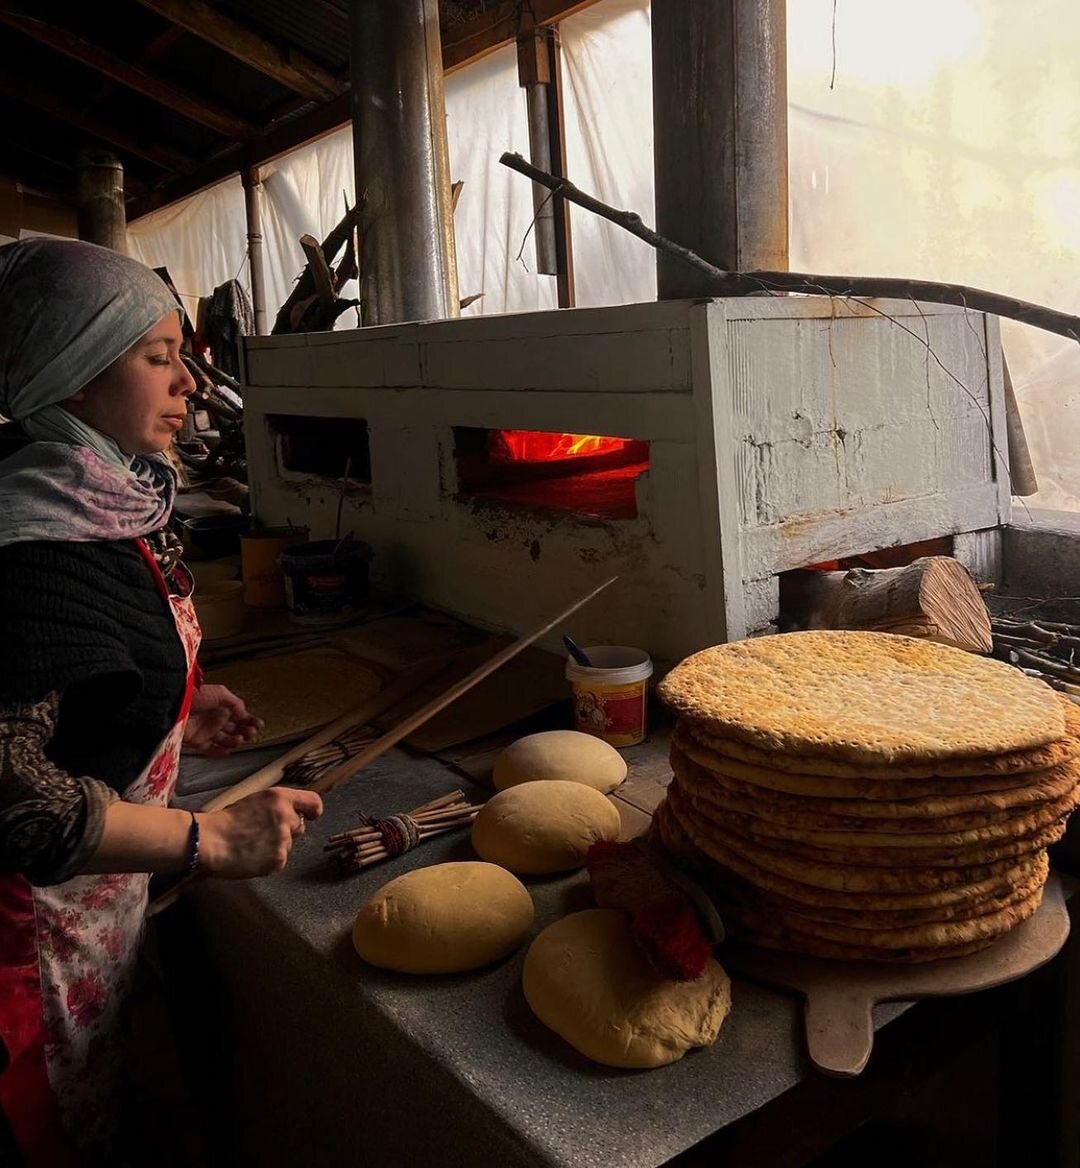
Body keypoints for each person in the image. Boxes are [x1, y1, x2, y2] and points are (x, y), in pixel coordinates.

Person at [0, 237, 323, 1166]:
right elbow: (15, 801)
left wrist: (171, 703)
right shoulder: (36, 551)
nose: (189, 380)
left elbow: (77, 680)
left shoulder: (101, 500)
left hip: (99, 906)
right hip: (31, 936)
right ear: (69, 371)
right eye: (156, 357)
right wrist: (208, 838)